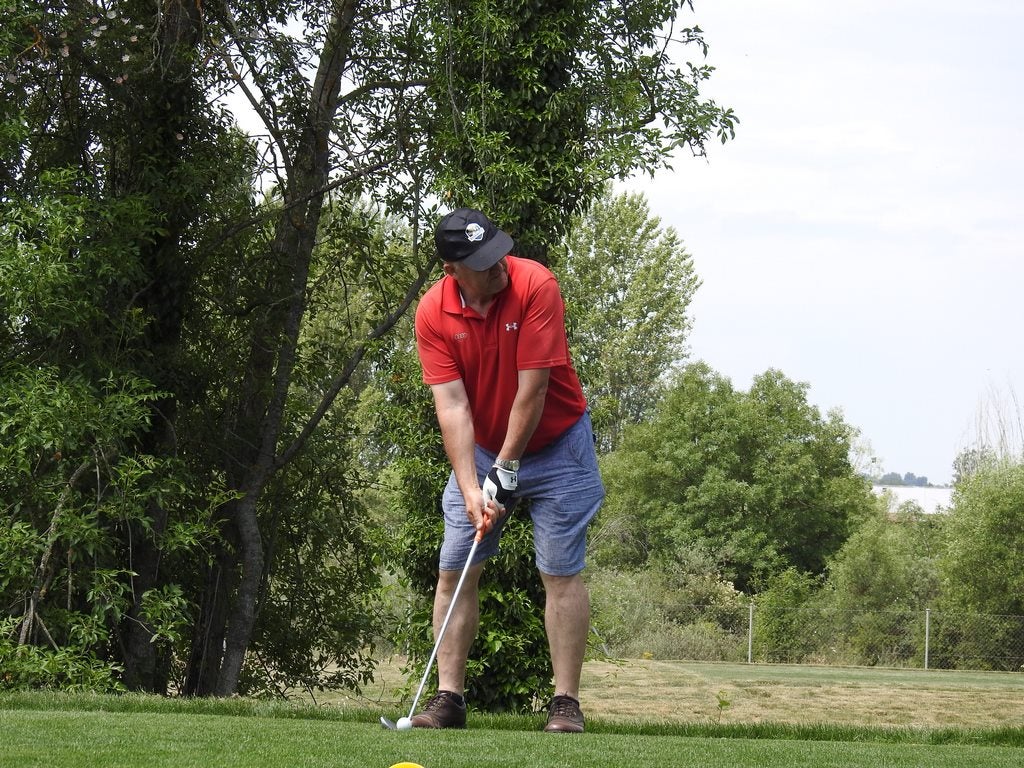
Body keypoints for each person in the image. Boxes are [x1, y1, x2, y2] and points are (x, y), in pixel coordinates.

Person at [411, 207, 605, 733]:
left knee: (559, 571)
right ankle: (448, 700)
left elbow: (533, 388)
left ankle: (566, 704)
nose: (498, 266)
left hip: (559, 443)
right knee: (455, 569)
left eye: (498, 252)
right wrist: (474, 487)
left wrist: (506, 468)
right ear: (453, 270)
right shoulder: (432, 313)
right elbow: (451, 406)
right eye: (482, 262)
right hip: (482, 450)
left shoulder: (535, 284)